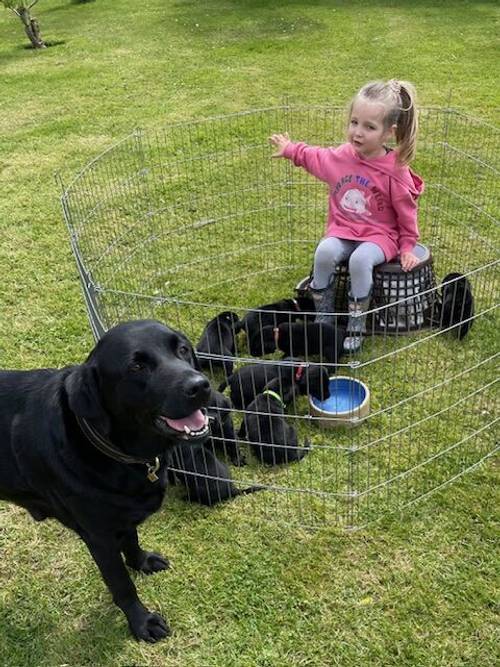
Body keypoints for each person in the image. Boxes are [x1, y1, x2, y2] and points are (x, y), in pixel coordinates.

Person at [270, 79, 425, 352]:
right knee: (324, 252)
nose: (358, 132)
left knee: (360, 260)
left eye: (369, 127)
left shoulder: (394, 169)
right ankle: (325, 316)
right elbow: (315, 156)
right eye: (354, 122)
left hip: (380, 236)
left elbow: (406, 211)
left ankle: (357, 323)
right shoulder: (342, 157)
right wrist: (290, 150)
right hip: (344, 229)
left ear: (389, 133)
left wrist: (407, 245)